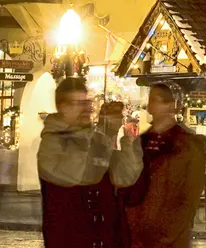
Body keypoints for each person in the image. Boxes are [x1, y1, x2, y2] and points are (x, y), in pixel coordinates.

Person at [38, 78, 142, 248]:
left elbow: (125, 177)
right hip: (69, 241)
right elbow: (76, 176)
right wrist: (102, 134)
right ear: (62, 107)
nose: (86, 108)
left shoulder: (97, 139)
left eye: (86, 102)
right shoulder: (51, 143)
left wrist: (125, 143)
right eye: (78, 103)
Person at [124, 84, 206, 248]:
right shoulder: (142, 141)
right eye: (150, 101)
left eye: (155, 100)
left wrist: (169, 233)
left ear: (169, 105)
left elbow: (190, 197)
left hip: (169, 238)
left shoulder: (188, 145)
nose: (150, 106)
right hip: (139, 234)